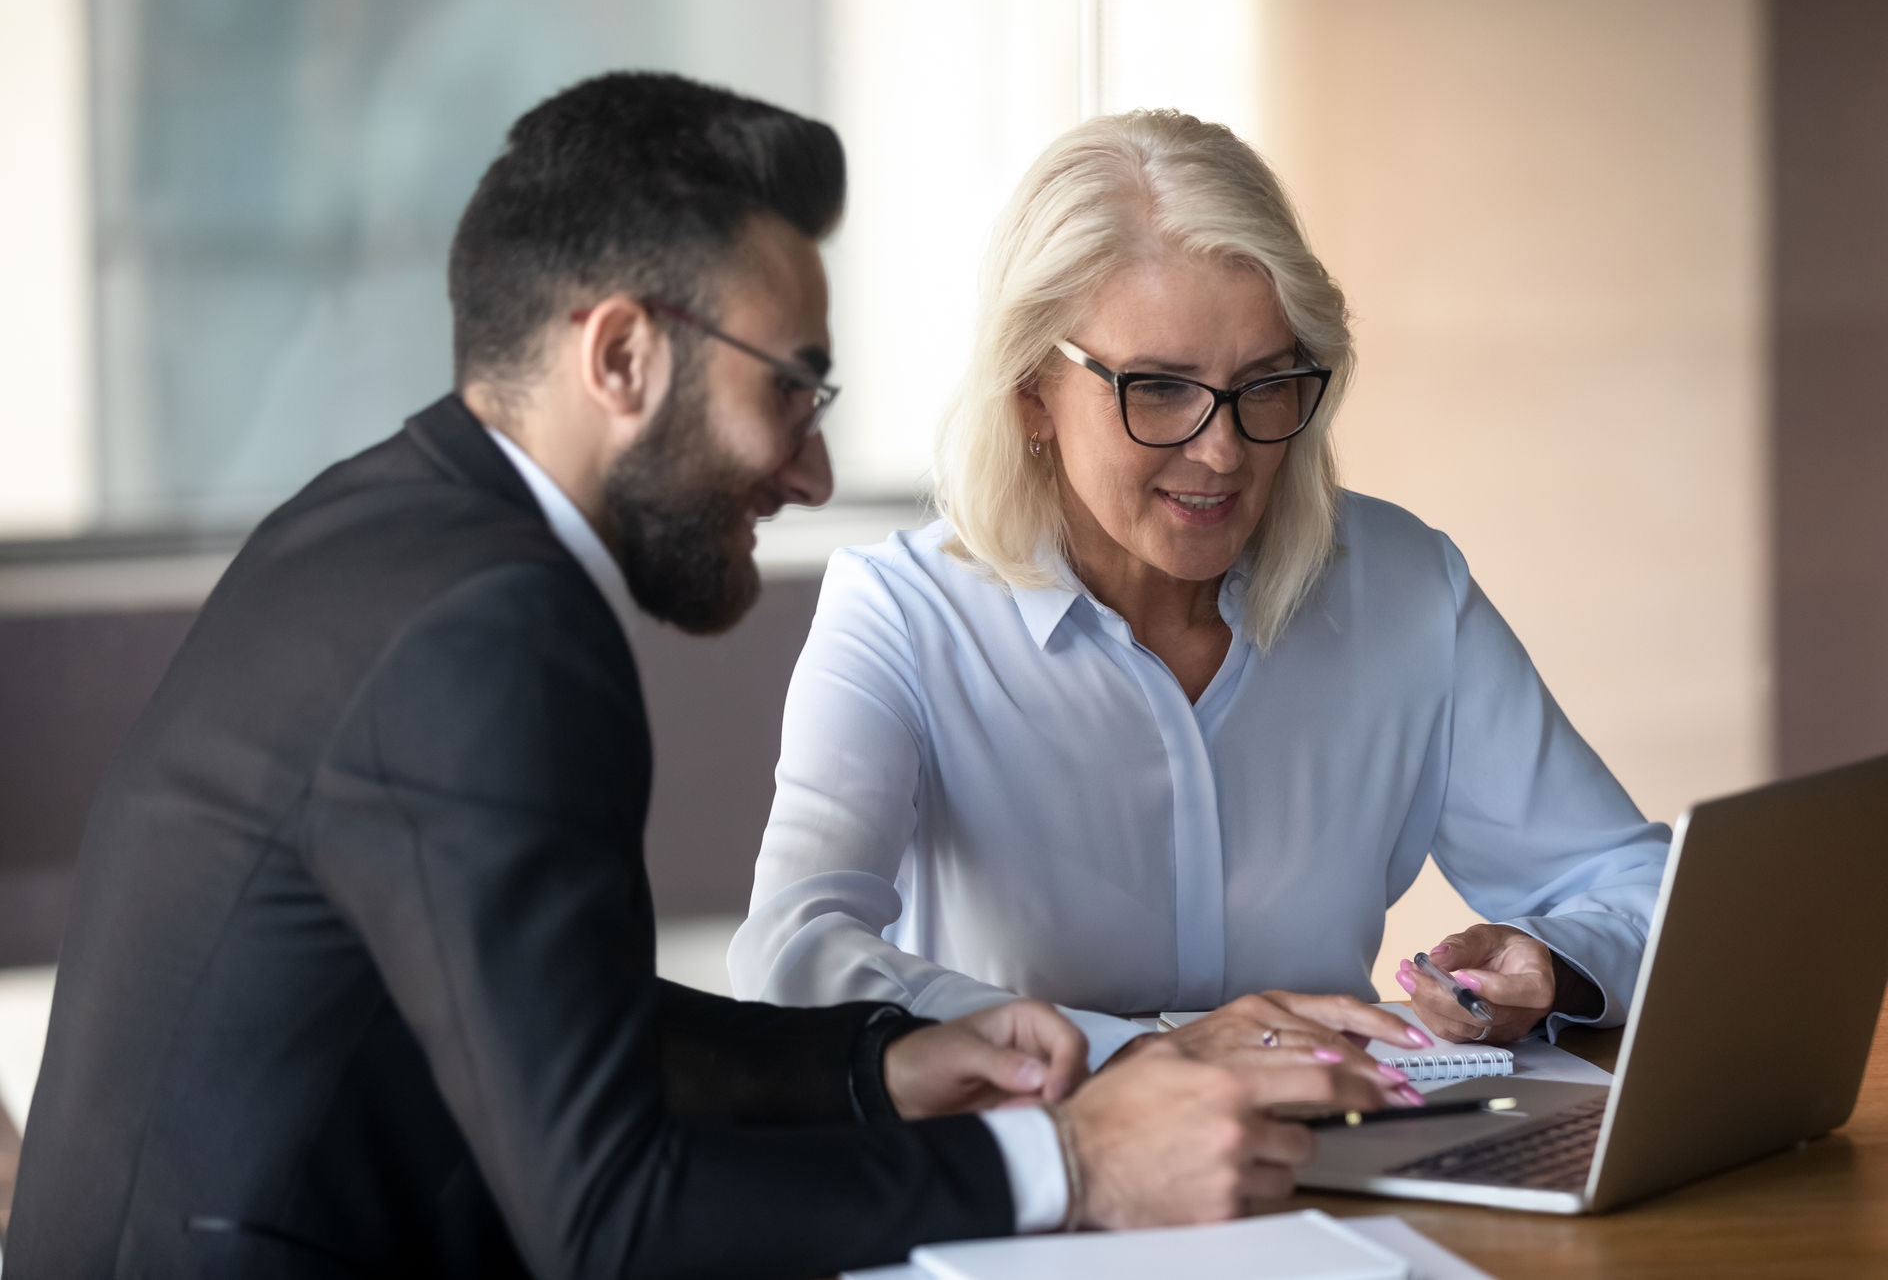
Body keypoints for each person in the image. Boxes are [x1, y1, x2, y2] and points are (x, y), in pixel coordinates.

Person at [6, 77, 1388, 1280]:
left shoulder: (377, 523)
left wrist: (870, 1068)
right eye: (789, 390)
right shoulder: (493, 635)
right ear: (620, 356)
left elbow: (546, 1019)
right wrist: (1068, 1166)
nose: (813, 470)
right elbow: (608, 1217)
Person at [731, 109, 1673, 1073]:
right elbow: (795, 957)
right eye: (1160, 388)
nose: (1221, 449)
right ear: (1030, 393)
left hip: (1350, 1167)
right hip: (1049, 1179)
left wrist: (1552, 962)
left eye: (1266, 383)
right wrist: (1142, 1056)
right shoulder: (902, 613)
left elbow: (1638, 885)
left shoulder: (1404, 586)